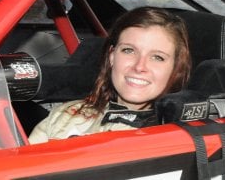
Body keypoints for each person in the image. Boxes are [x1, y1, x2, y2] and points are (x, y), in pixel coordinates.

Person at [28, 7, 191, 143]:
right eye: (129, 50)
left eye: (157, 57)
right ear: (112, 56)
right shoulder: (65, 115)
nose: (139, 66)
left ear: (176, 68)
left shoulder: (182, 138)